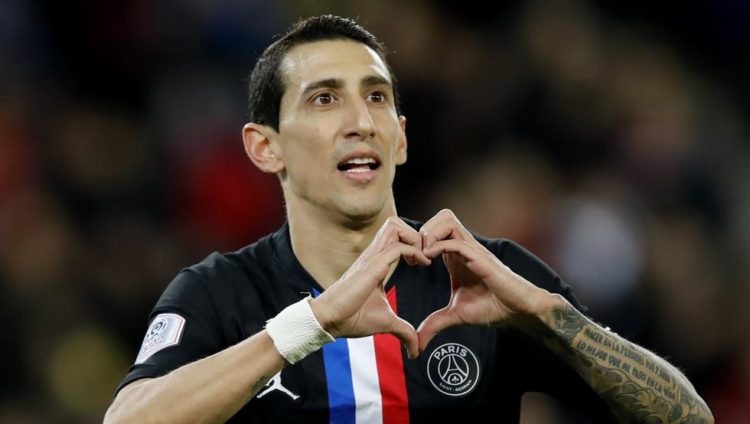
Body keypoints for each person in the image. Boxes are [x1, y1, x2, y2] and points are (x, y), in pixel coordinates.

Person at [104, 15, 714, 423]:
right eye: (324, 98)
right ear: (266, 147)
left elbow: (689, 417)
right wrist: (310, 325)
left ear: (399, 139)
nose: (359, 121)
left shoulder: (485, 280)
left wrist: (553, 319)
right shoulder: (220, 294)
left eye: (376, 97)